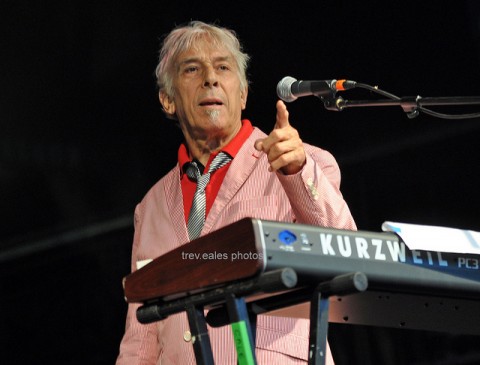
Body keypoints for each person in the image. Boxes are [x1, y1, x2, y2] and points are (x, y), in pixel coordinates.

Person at [116, 20, 357, 365]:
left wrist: (296, 173)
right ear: (168, 100)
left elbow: (345, 256)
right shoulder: (150, 207)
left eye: (223, 67)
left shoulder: (304, 164)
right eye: (192, 69)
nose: (210, 78)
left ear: (242, 94)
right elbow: (140, 337)